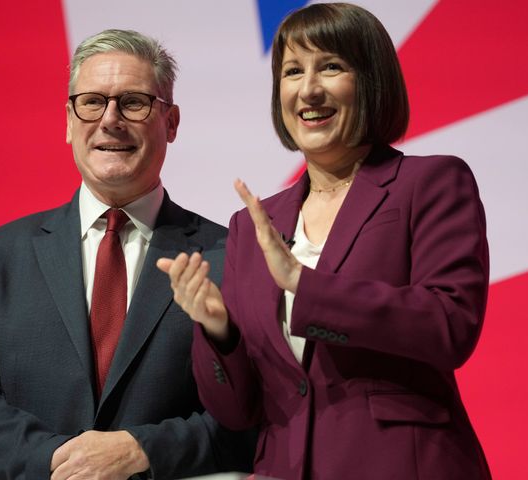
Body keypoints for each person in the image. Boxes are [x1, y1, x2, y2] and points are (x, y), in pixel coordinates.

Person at [158, 3, 491, 479]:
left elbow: (449, 324)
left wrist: (302, 283)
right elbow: (237, 412)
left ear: (371, 80)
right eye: (293, 71)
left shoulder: (430, 182)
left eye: (331, 66)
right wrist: (218, 331)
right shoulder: (253, 224)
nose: (308, 90)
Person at [0, 29, 253, 480]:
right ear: (68, 120)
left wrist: (142, 451)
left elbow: (254, 412)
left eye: (134, 102)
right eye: (92, 102)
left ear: (172, 122)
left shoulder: (229, 256)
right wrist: (59, 462)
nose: (110, 120)